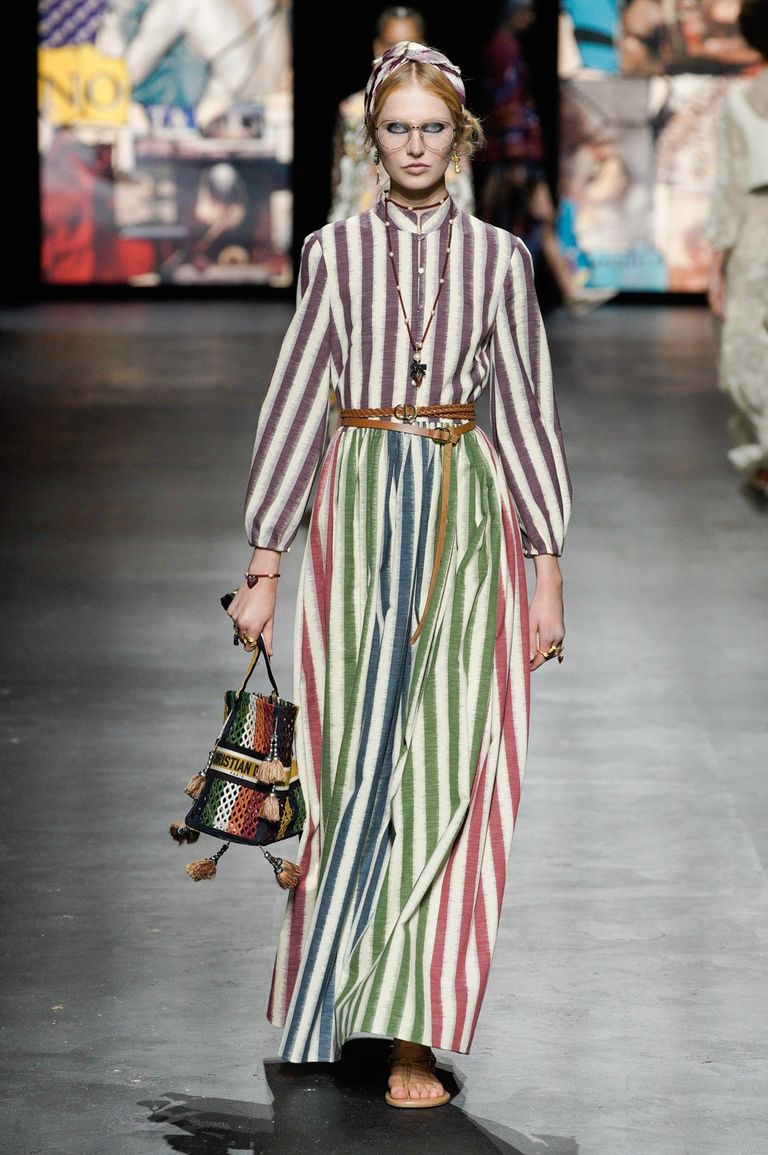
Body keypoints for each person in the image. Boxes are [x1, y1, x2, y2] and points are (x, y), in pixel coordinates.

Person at [227, 40, 571, 1108]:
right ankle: (336, 996)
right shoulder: (331, 253)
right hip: (358, 510)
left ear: (460, 138)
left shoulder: (502, 261)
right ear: (371, 139)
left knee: (450, 764)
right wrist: (265, 560)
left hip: (466, 514)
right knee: (346, 762)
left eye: (433, 129)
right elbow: (297, 398)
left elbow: (525, 410)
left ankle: (415, 1035)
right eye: (396, 128)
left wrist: (547, 566)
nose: (415, 146)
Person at [479, 0, 614, 312]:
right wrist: (514, 158)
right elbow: (506, 105)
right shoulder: (503, 49)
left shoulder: (507, 47)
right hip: (512, 157)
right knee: (498, 225)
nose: (531, 18)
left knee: (542, 217)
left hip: (520, 154)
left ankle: (569, 291)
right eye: (527, 12)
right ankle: (491, 295)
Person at [327, 7, 475, 221]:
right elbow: (343, 179)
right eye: (391, 45)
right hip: (365, 223)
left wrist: (461, 229)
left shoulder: (445, 104)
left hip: (435, 225)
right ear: (377, 47)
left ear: (425, 48)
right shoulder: (352, 110)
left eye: (411, 46)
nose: (402, 55)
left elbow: (460, 178)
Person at [706, 0, 768, 499]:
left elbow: (727, 187)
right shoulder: (737, 101)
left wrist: (715, 268)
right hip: (752, 228)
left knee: (746, 348)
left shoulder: (739, 101)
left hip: (753, 232)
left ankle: (763, 455)